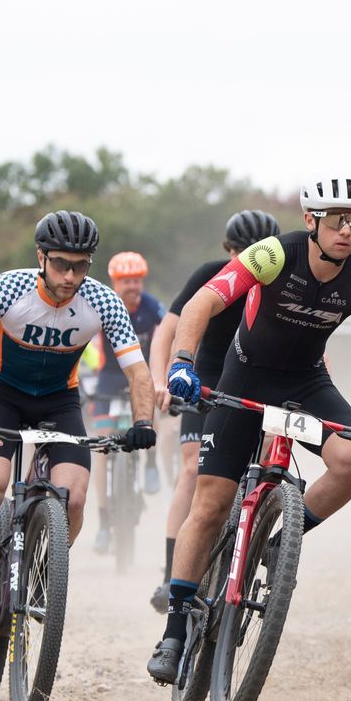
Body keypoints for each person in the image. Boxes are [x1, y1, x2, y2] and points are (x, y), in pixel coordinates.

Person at [149, 180, 351, 681]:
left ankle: (282, 537)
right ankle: (175, 629)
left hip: (307, 381)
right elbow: (203, 303)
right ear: (311, 219)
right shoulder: (274, 253)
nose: (347, 230)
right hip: (245, 374)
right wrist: (182, 364)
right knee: (209, 505)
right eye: (337, 219)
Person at [0, 211, 157, 646]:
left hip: (58, 401)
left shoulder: (103, 301)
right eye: (61, 264)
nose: (71, 276)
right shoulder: (6, 288)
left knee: (73, 497)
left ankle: (40, 574)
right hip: (0, 393)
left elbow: (138, 373)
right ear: (41, 257)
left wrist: (143, 421)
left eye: (81, 265)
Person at [146, 208, 277, 611]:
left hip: (257, 381)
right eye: (243, 253)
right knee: (191, 470)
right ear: (228, 250)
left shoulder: (281, 278)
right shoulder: (210, 272)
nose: (252, 261)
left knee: (269, 461)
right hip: (206, 380)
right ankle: (171, 574)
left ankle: (255, 550)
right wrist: (160, 378)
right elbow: (167, 329)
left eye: (262, 252)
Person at [85, 250, 168, 554]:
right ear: (114, 283)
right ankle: (105, 522)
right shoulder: (104, 304)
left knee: (150, 403)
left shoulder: (151, 306)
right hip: (109, 376)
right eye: (125, 281)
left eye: (137, 280)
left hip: (140, 374)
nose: (132, 286)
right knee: (102, 450)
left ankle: (149, 465)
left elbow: (168, 332)